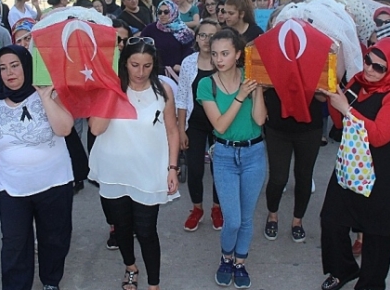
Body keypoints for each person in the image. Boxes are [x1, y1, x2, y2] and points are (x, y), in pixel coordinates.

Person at [0, 45, 75, 290]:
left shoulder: (48, 92)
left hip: (54, 183)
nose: (10, 72)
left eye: (15, 65)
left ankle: (51, 281)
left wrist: (44, 97)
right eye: (3, 68)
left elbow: (64, 129)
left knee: (54, 238)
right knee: (14, 243)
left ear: (27, 66)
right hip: (13, 188)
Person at [318, 38, 390, 290]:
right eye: (368, 60)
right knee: (331, 219)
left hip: (384, 174)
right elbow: (339, 125)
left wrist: (347, 110)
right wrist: (333, 96)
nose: (370, 69)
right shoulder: (359, 81)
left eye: (379, 67)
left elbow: (379, 135)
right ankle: (344, 269)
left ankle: (370, 284)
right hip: (351, 165)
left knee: (377, 235)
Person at [88, 36, 180, 290]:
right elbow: (95, 128)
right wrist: (111, 93)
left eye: (147, 65)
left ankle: (154, 284)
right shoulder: (111, 89)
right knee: (122, 228)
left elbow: (172, 131)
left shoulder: (164, 90)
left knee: (147, 230)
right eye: (134, 65)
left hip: (149, 172)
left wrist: (172, 168)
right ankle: (130, 267)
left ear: (155, 64)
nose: (140, 72)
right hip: (113, 171)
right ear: (124, 63)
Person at [196, 27, 267, 288]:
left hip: (254, 153)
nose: (219, 59)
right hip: (225, 155)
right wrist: (240, 96)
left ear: (238, 54)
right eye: (215, 54)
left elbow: (259, 120)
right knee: (233, 219)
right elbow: (220, 126)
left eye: (225, 53)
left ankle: (240, 262)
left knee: (247, 218)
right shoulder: (207, 85)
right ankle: (226, 258)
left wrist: (257, 89)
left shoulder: (251, 78)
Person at [262, 18, 325, 244]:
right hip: (277, 127)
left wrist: (315, 83)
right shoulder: (266, 55)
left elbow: (323, 94)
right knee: (278, 177)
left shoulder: (318, 56)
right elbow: (256, 82)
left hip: (310, 127)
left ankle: (297, 221)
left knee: (304, 176)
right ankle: (273, 215)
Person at [176, 20, 222, 232]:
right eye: (202, 35)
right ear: (196, 38)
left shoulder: (224, 62)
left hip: (220, 124)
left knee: (219, 168)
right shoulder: (188, 63)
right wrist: (180, 129)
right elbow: (183, 97)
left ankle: (217, 207)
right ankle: (197, 208)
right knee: (194, 169)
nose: (207, 40)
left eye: (212, 36)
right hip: (195, 124)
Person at [140, 0, 194, 76]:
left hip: (177, 73)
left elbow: (190, 51)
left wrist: (181, 66)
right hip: (154, 73)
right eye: (159, 12)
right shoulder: (150, 29)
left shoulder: (183, 31)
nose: (162, 15)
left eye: (166, 12)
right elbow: (141, 47)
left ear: (173, 12)